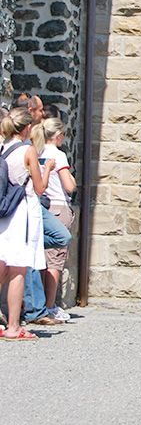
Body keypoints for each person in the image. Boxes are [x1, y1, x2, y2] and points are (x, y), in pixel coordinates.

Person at [0, 107, 54, 340]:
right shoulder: (28, 150)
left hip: (4, 210)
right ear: (28, 128)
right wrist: (48, 170)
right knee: (18, 270)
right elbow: (39, 187)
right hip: (20, 210)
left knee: (2, 267)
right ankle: (13, 327)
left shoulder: (3, 148)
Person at [31, 117, 77, 322]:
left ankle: (36, 303)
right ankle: (50, 305)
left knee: (38, 258)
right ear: (58, 135)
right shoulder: (57, 155)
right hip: (58, 205)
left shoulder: (35, 151)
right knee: (55, 260)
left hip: (39, 205)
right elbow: (69, 186)